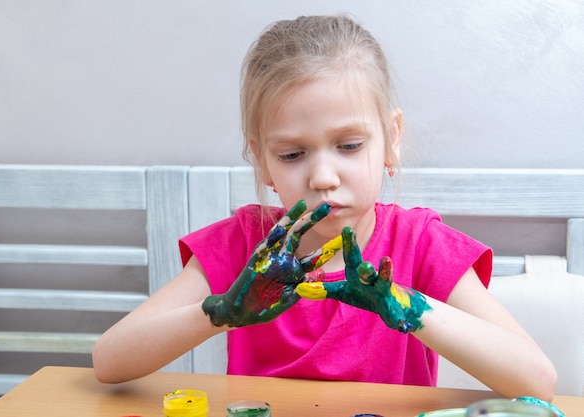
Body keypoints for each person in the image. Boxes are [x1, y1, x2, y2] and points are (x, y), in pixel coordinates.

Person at [92, 15, 556, 400]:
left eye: (349, 145)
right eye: (292, 155)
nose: (322, 177)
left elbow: (537, 379)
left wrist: (403, 304)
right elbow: (109, 361)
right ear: (263, 161)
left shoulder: (420, 245)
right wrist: (220, 312)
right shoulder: (244, 246)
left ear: (391, 139)